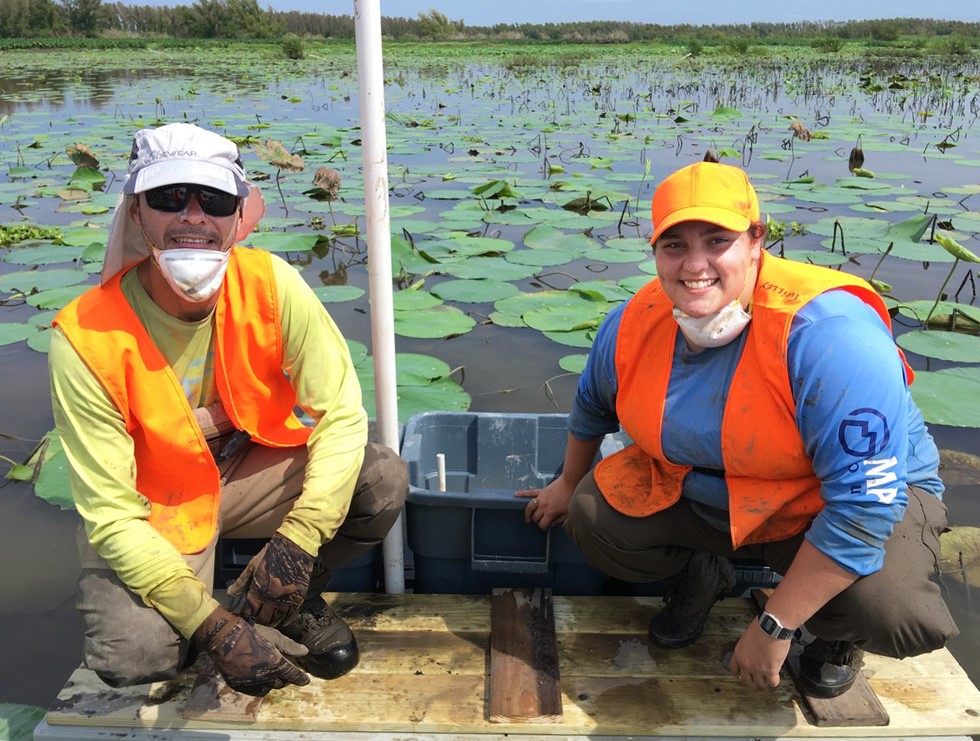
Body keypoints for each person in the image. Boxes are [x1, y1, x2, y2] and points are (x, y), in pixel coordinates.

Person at [518, 161, 957, 698]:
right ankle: (701, 576)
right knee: (591, 516)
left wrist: (777, 624)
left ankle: (832, 635)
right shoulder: (633, 321)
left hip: (824, 503)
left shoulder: (830, 336)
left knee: (893, 612)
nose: (694, 264)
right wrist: (566, 482)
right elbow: (591, 405)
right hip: (709, 490)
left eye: (717, 240)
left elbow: (865, 505)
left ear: (756, 241)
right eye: (674, 244)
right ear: (654, 251)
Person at [50, 122, 407, 698]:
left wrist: (299, 541)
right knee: (135, 659)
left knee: (379, 478)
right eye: (169, 197)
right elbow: (113, 517)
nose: (192, 215)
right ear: (137, 212)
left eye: (212, 200)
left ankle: (284, 596)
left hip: (246, 473)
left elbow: (340, 412)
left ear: (237, 216)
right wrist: (213, 628)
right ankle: (215, 618)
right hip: (153, 505)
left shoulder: (272, 285)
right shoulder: (85, 337)